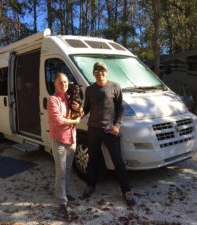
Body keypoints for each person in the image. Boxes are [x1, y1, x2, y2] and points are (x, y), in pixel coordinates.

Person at [75, 62, 135, 206]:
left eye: (102, 71)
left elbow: (120, 109)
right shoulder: (90, 89)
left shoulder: (115, 86)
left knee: (118, 161)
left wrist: (117, 126)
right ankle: (90, 186)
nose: (100, 73)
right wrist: (79, 111)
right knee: (92, 160)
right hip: (94, 130)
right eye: (97, 71)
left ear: (106, 72)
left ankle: (126, 191)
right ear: (93, 73)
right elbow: (87, 108)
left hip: (110, 130)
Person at [47, 72, 81, 220]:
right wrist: (75, 121)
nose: (63, 85)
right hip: (59, 140)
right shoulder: (52, 99)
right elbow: (59, 120)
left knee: (67, 169)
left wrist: (79, 110)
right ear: (54, 83)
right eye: (60, 82)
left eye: (66, 82)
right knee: (61, 171)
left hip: (72, 139)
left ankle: (64, 192)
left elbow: (80, 112)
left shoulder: (69, 98)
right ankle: (62, 202)